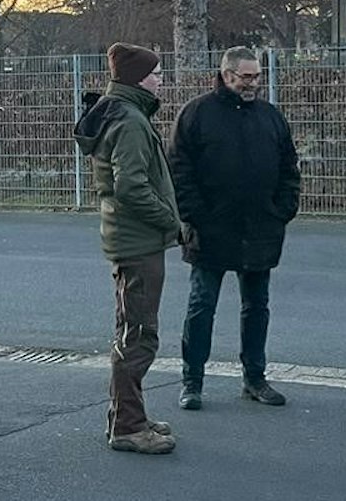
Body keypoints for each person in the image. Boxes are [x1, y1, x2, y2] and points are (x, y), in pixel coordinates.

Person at [169, 46, 300, 411]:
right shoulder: (196, 114)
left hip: (261, 228)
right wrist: (196, 215)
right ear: (226, 75)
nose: (253, 83)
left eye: (257, 76)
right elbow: (179, 169)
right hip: (211, 229)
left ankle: (254, 379)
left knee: (257, 306)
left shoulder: (270, 117)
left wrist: (282, 209)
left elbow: (289, 166)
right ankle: (191, 381)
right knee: (201, 305)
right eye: (247, 77)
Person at [73, 43, 181, 454]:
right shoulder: (132, 120)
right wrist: (172, 222)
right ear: (137, 78)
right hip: (138, 241)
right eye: (155, 73)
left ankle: (127, 416)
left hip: (129, 238)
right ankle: (129, 427)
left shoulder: (120, 112)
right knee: (139, 335)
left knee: (130, 330)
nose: (160, 79)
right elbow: (132, 186)